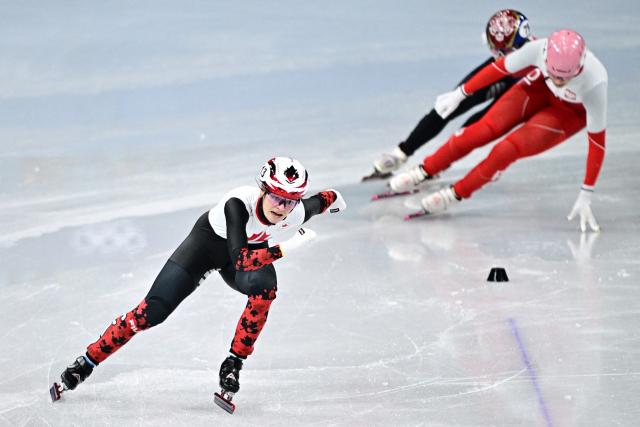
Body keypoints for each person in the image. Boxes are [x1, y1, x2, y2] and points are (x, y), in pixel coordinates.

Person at [51, 157, 347, 402]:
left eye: (290, 200)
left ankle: (234, 363)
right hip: (206, 248)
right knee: (151, 313)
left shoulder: (294, 213)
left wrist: (337, 201)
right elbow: (242, 260)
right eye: (276, 197)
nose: (281, 207)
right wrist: (287, 247)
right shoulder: (237, 204)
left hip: (248, 251)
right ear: (263, 190)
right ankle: (87, 361)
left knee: (266, 289)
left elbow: (323, 200)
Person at [390, 29, 607, 232]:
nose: (559, 82)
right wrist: (460, 94)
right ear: (546, 59)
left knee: (506, 150)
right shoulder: (539, 49)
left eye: (565, 77)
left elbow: (597, 143)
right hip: (538, 87)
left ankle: (455, 194)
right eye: (555, 74)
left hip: (568, 114)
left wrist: (586, 192)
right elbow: (498, 69)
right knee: (481, 130)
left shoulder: (595, 82)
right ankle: (424, 170)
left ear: (579, 68)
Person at [363, 9, 533, 181]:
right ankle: (400, 154)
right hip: (501, 74)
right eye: (494, 51)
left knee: (477, 127)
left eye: (503, 52)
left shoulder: (539, 58)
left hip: (522, 83)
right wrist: (458, 93)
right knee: (447, 107)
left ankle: (438, 163)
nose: (498, 56)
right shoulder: (503, 55)